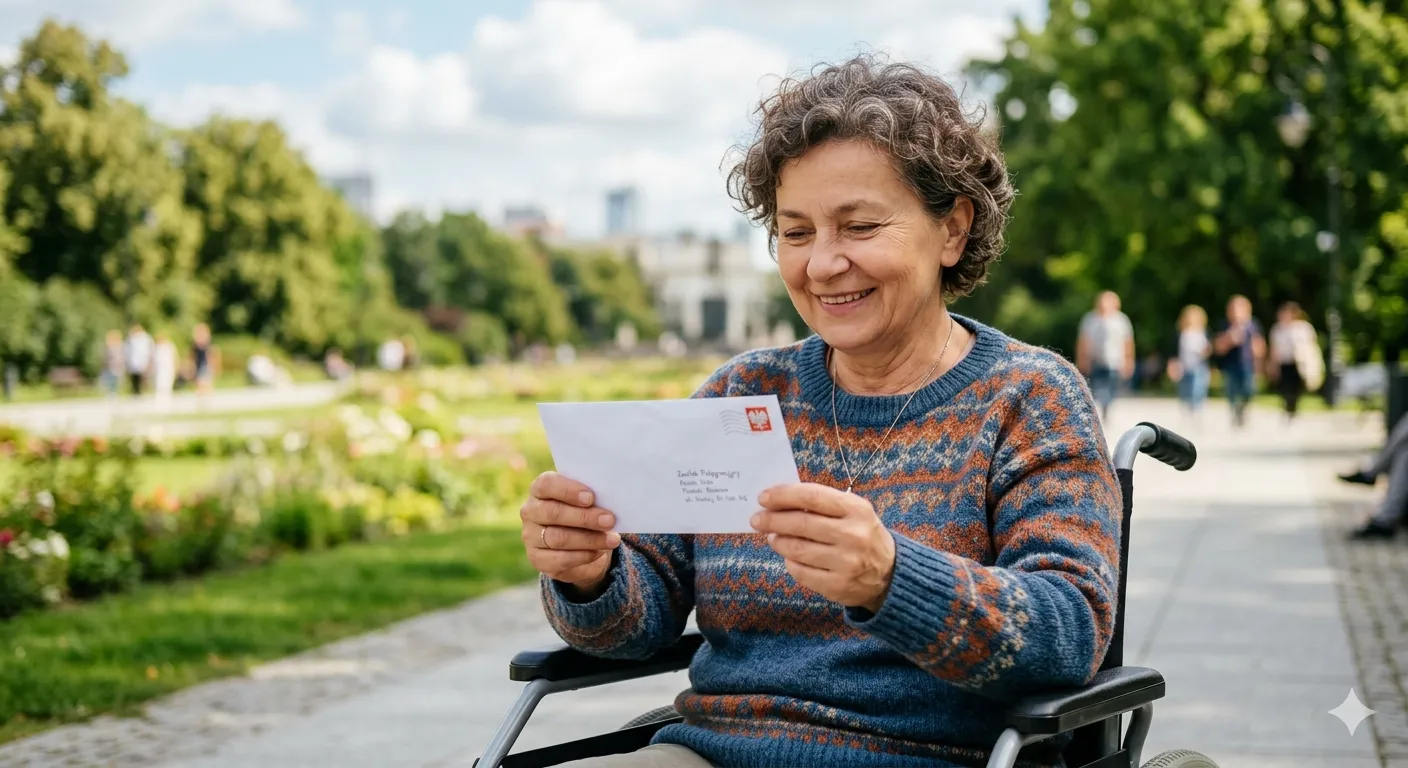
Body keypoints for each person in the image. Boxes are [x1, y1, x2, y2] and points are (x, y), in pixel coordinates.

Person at [519, 55, 1123, 768]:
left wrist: (892, 578)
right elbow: (634, 626)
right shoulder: (742, 393)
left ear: (952, 229)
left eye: (859, 226)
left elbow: (1068, 634)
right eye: (797, 232)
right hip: (715, 752)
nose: (822, 264)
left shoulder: (1029, 398)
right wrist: (589, 574)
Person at [1076, 291, 1134, 421]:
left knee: (1111, 387)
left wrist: (1129, 360)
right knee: (1096, 386)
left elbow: (1127, 342)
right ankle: (1097, 409)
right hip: (1095, 359)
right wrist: (1082, 359)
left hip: (1114, 361)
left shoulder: (1121, 320)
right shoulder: (1090, 319)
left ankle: (1107, 408)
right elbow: (1083, 341)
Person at [1212, 295, 1264, 427]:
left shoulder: (1252, 325)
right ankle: (1235, 411)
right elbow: (1217, 347)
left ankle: (1243, 409)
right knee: (1231, 390)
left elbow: (1260, 345)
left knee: (1248, 389)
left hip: (1247, 364)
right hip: (1231, 364)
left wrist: (1258, 357)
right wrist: (1229, 339)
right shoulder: (1225, 325)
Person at [1266, 302, 1322, 421]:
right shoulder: (1278, 329)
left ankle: (1293, 408)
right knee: (1285, 387)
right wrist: (1272, 364)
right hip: (1284, 363)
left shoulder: (1303, 328)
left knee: (1296, 387)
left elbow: (1310, 346)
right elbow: (1274, 348)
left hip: (1298, 363)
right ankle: (1287, 407)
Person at [1167, 305, 1212, 425]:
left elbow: (1207, 349)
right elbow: (1176, 353)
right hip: (1185, 367)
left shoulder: (1202, 333)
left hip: (1198, 367)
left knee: (1197, 389)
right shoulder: (1182, 334)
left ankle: (1197, 410)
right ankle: (1186, 409)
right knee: (1185, 389)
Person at [122, 324, 153, 397]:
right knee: (134, 378)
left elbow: (148, 350)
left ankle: (140, 391)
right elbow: (126, 350)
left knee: (142, 378)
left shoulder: (145, 338)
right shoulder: (130, 339)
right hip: (133, 362)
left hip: (142, 361)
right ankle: (135, 391)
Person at [151, 331, 178, 407]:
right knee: (159, 384)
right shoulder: (156, 347)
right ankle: (159, 401)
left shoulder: (170, 346)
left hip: (168, 369)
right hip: (159, 370)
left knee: (167, 385)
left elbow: (174, 358)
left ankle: (167, 401)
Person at [191, 323, 218, 396]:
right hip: (199, 365)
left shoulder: (208, 344)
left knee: (206, 381)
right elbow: (193, 356)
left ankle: (207, 396)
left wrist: (212, 365)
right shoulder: (195, 345)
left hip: (206, 365)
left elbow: (211, 355)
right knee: (199, 382)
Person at [99, 329, 124, 397]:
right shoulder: (108, 347)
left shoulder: (119, 346)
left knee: (114, 380)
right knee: (110, 380)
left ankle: (113, 392)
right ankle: (111, 392)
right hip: (110, 366)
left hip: (116, 366)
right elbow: (105, 357)